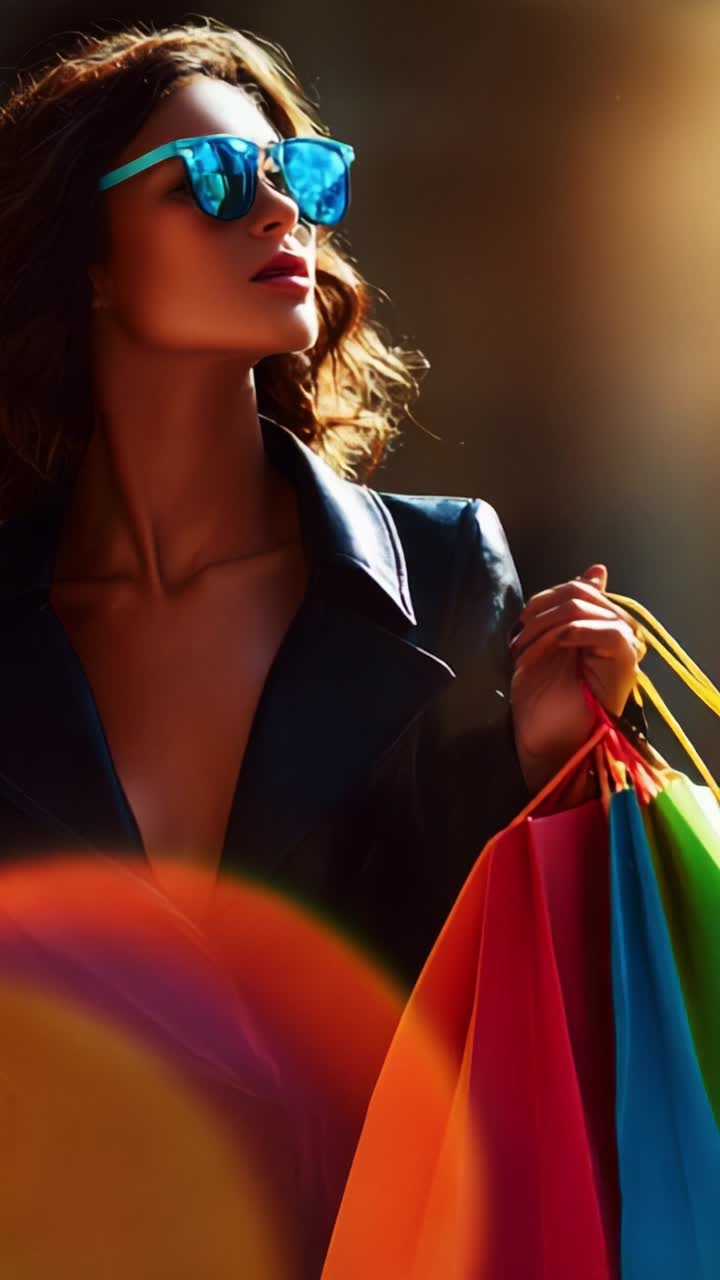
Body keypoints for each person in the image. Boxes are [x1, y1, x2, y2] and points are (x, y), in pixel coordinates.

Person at [0, 15, 650, 991]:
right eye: (215, 178)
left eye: (296, 177)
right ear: (87, 259)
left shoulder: (441, 573)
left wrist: (562, 765)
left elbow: (540, 987)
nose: (279, 213)